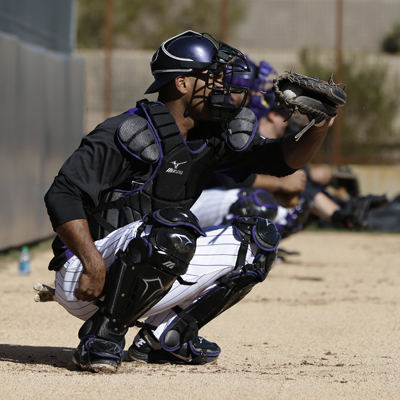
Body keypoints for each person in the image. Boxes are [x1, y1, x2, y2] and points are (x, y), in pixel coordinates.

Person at [43, 30, 335, 373]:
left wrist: (320, 123)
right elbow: (62, 194)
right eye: (215, 77)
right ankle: (102, 337)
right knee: (174, 229)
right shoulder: (128, 131)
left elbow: (282, 161)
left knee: (258, 241)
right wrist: (91, 262)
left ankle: (168, 335)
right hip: (84, 275)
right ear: (182, 83)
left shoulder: (210, 136)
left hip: (148, 254)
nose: (225, 87)